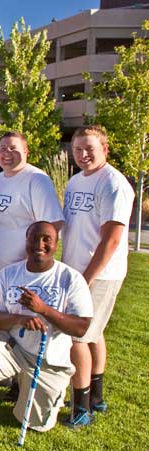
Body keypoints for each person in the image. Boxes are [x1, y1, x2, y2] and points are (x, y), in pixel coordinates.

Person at [0, 222, 93, 441]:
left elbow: (81, 326)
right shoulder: (9, 274)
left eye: (47, 239)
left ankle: (43, 396)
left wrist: (43, 309)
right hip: (12, 345)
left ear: (56, 244)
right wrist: (18, 319)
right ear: (25, 241)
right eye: (34, 238)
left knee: (35, 423)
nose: (39, 244)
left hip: (47, 358)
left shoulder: (70, 279)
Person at [61, 125, 134, 427]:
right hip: (76, 270)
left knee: (76, 335)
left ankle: (81, 408)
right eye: (78, 149)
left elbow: (112, 240)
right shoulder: (76, 182)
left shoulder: (114, 184)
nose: (83, 154)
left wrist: (87, 277)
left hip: (99, 274)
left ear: (105, 148)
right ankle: (97, 397)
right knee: (94, 333)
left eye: (89, 148)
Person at [0, 132, 63, 307]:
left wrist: (30, 260)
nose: (7, 153)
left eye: (13, 148)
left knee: (16, 327)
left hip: (17, 273)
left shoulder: (36, 179)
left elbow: (52, 224)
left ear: (26, 151)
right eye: (2, 149)